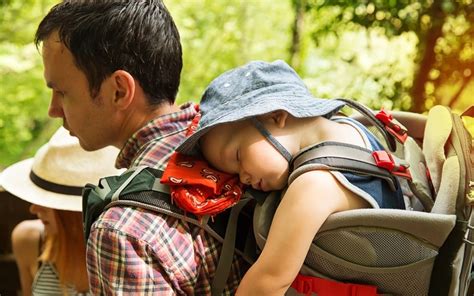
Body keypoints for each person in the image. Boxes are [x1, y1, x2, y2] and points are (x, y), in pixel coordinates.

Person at [34, 0, 249, 294]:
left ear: (119, 91)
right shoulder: (243, 147)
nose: (53, 110)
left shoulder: (121, 232)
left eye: (62, 92)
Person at [176, 60, 406, 295]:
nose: (242, 178)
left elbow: (268, 282)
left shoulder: (314, 186)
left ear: (276, 116)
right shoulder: (348, 128)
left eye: (237, 156)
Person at [1, 127, 121, 296]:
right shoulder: (29, 241)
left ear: (76, 211)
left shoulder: (122, 250)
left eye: (47, 201)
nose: (34, 208)